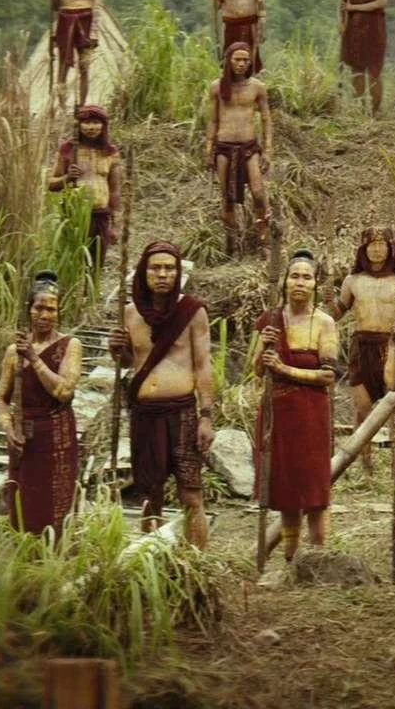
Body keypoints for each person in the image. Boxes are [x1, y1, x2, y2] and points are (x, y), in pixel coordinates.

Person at [110, 241, 214, 547]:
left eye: (169, 268)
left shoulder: (192, 312)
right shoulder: (130, 314)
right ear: (144, 273)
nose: (163, 274)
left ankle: (197, 562)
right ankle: (149, 561)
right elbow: (129, 362)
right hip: (144, 415)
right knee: (148, 495)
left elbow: (203, 365)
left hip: (182, 413)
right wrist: (118, 351)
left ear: (178, 273)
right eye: (155, 268)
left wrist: (206, 416)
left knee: (191, 494)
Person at [252, 250, 342, 563]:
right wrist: (265, 345)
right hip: (278, 413)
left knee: (314, 490)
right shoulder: (271, 320)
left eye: (307, 277)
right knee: (286, 489)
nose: (300, 282)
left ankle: (317, 560)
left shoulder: (324, 323)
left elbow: (328, 376)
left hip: (310, 414)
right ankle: (291, 560)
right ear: (285, 282)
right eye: (295, 276)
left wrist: (286, 369)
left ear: (316, 283)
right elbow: (258, 370)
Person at [0, 273, 84, 539]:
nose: (44, 315)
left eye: (51, 309)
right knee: (23, 506)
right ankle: (26, 557)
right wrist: (8, 428)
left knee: (53, 505)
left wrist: (33, 357)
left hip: (56, 438)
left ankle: (55, 556)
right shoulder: (13, 351)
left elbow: (63, 392)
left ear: (58, 312)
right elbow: (2, 398)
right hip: (23, 439)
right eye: (39, 308)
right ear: (29, 309)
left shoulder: (70, 346)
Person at [335, 226, 395, 474]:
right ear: (364, 250)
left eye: (382, 244)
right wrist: (328, 301)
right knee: (362, 408)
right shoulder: (353, 281)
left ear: (390, 249)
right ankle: (364, 462)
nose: (377, 250)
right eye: (372, 245)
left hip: (391, 346)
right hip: (361, 347)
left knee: (394, 406)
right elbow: (336, 313)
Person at [207, 41, 274, 255]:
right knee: (227, 198)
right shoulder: (217, 87)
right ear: (228, 61)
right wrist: (208, 149)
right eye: (237, 59)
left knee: (259, 193)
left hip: (249, 148)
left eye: (246, 60)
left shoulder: (257, 87)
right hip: (224, 147)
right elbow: (212, 120)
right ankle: (232, 243)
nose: (242, 64)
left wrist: (268, 151)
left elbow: (266, 119)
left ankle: (264, 241)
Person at [47, 104, 122, 265]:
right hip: (74, 215)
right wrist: (68, 177)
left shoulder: (110, 152)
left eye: (96, 122)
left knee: (96, 262)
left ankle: (93, 283)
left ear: (103, 125)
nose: (91, 127)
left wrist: (116, 225)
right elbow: (51, 184)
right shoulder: (68, 149)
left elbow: (115, 190)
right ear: (79, 125)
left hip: (101, 215)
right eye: (86, 122)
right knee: (73, 261)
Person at [47, 0, 102, 109]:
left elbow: (96, 2)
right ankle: (62, 107)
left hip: (85, 20)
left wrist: (94, 31)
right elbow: (55, 6)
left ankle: (82, 106)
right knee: (63, 65)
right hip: (65, 20)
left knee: (84, 66)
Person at [340, 0, 390, 115]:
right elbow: (342, 4)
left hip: (375, 30)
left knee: (375, 70)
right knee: (357, 70)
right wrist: (341, 23)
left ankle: (376, 112)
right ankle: (359, 111)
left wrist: (354, 7)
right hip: (354, 30)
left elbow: (380, 3)